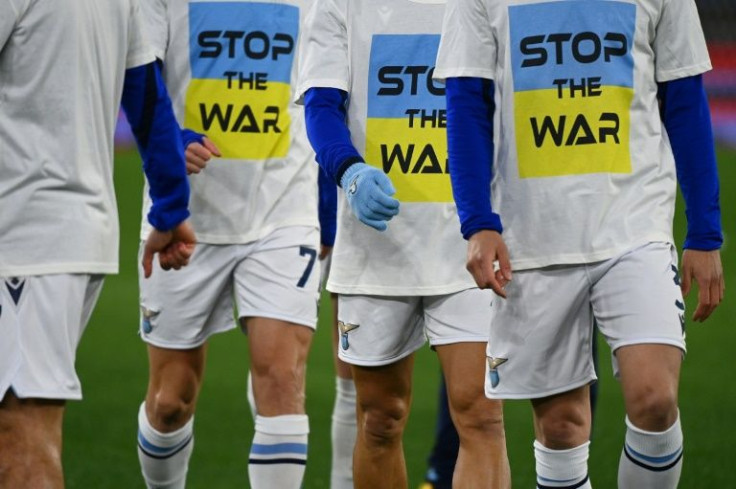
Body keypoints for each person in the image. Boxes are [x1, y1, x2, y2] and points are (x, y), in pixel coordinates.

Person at [436, 0, 724, 486]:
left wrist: (704, 231)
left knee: (655, 399)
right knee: (562, 427)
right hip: (533, 236)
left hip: (634, 226)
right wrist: (477, 223)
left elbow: (684, 97)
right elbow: (466, 101)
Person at [297, 1, 511, 487]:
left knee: (481, 416)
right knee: (380, 417)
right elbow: (321, 105)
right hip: (379, 246)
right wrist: (349, 171)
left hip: (470, 240)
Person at [0, 0, 194, 487]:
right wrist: (170, 207)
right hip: (66, 231)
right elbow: (146, 94)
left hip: (27, 232)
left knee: (20, 427)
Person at [134, 1, 321, 488]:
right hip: (188, 212)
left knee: (282, 378)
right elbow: (137, 72)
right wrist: (171, 140)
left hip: (283, 207)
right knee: (170, 401)